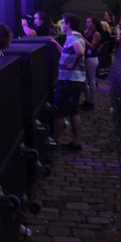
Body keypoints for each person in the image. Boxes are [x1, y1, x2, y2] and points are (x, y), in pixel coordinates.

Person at [51, 13, 87, 151]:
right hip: (75, 81)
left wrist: (72, 66)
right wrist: (56, 45)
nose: (61, 24)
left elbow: (80, 52)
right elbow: (69, 53)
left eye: (63, 22)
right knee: (73, 111)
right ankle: (77, 142)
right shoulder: (76, 36)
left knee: (59, 111)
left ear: (69, 24)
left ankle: (53, 141)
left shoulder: (72, 37)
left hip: (69, 81)